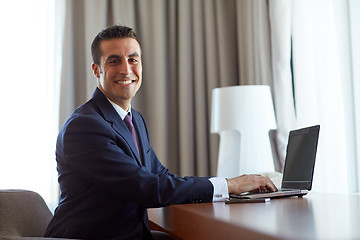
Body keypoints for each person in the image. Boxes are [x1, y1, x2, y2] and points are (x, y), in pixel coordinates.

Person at [44, 25, 277, 240]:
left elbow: (160, 176)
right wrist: (228, 185)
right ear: (97, 69)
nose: (126, 69)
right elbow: (145, 187)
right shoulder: (84, 127)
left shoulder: (134, 121)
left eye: (133, 59)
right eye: (114, 61)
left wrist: (232, 190)